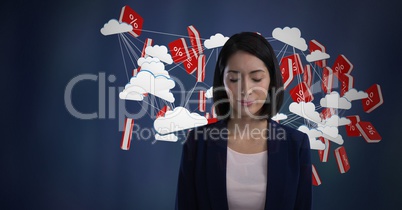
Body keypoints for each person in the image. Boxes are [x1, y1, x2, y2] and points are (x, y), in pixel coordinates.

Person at [176, 32, 312, 210]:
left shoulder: (297, 144)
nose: (245, 89)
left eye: (256, 78)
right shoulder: (197, 143)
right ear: (222, 82)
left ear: (272, 80)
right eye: (234, 79)